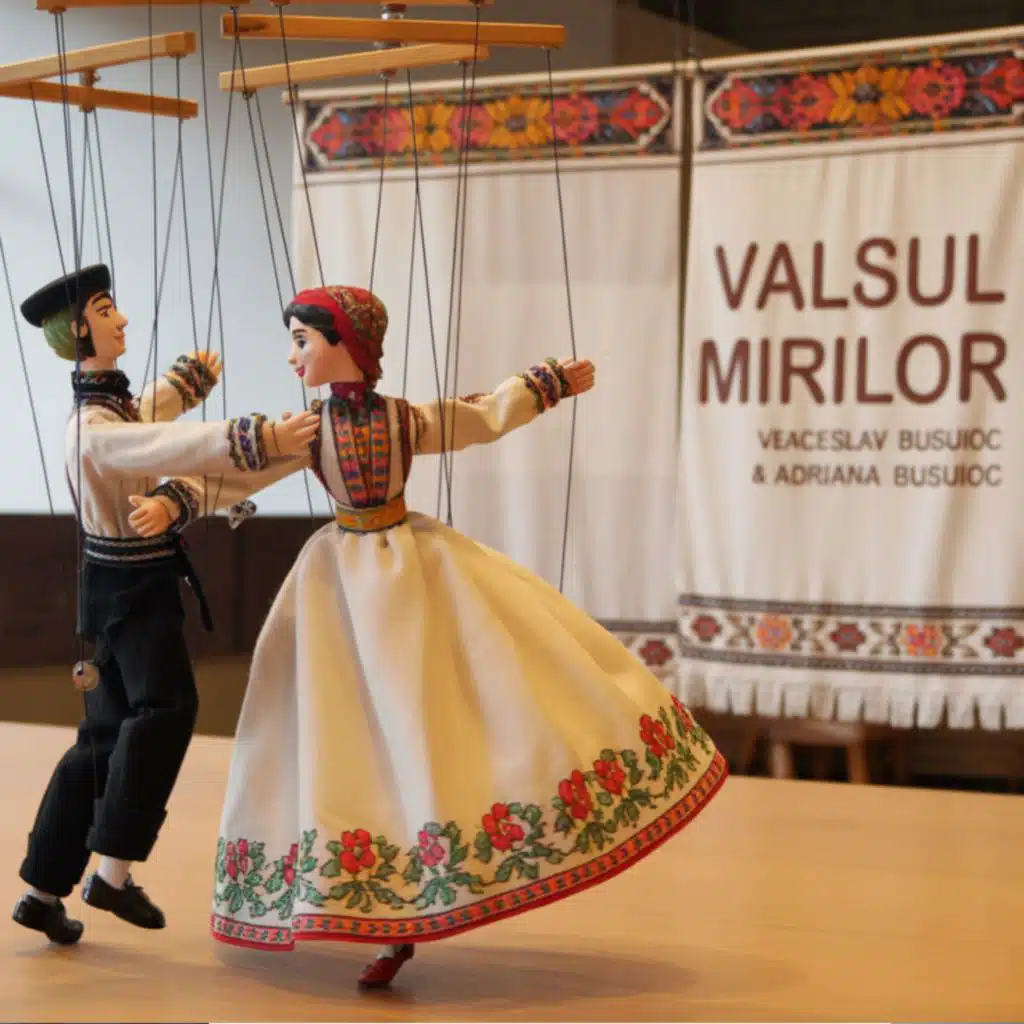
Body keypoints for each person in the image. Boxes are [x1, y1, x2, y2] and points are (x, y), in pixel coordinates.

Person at [202, 284, 728, 989]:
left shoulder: (403, 419)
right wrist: (177, 500)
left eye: (304, 341)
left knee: (450, 714)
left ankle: (428, 898)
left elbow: (478, 418)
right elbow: (242, 475)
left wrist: (542, 386)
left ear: (345, 343)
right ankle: (377, 906)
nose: (294, 356)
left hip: (412, 577)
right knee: (346, 733)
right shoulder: (305, 430)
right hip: (341, 591)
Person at [12, 264, 318, 946]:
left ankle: (42, 890)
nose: (121, 320)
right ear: (80, 328)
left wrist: (183, 386)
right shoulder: (95, 429)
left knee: (102, 737)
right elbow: (159, 442)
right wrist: (261, 439)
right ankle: (112, 872)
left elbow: (145, 420)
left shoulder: (106, 413)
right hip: (132, 589)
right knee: (165, 712)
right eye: (106, 311)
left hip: (115, 585)